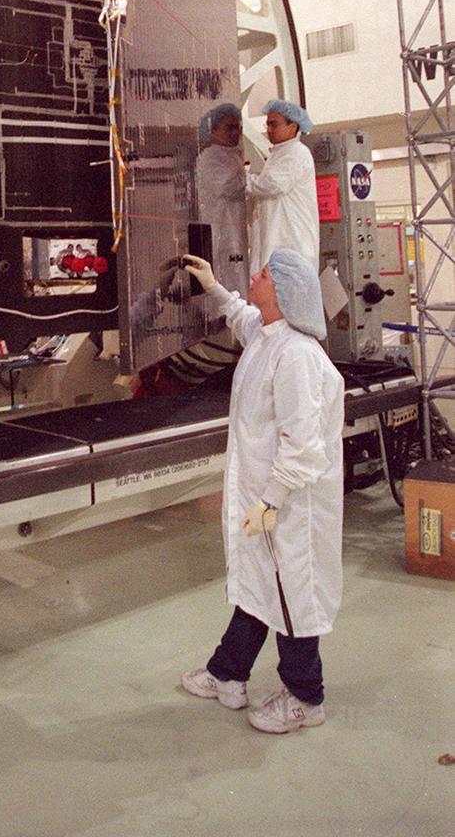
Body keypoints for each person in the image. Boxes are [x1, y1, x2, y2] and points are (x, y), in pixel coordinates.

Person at [179, 248, 343, 734]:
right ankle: (227, 674)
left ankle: (306, 698)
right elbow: (244, 316)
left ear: (285, 292)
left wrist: (271, 501)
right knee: (256, 584)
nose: (256, 275)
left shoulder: (296, 356)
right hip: (264, 498)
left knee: (292, 593)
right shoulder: (269, 337)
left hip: (289, 504)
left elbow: (303, 446)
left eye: (266, 273)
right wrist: (212, 288)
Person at [247, 98, 320, 271]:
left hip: (292, 246)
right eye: (267, 125)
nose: (269, 130)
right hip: (277, 245)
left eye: (274, 124)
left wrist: (241, 179)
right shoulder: (277, 155)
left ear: (293, 126)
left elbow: (272, 185)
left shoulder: (297, 153)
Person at [196, 103, 248, 301]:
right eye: (228, 128)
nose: (235, 133)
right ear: (212, 130)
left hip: (234, 233)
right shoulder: (210, 158)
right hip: (222, 234)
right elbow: (230, 187)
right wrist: (252, 179)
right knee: (228, 284)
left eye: (238, 128)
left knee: (238, 283)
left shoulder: (232, 156)